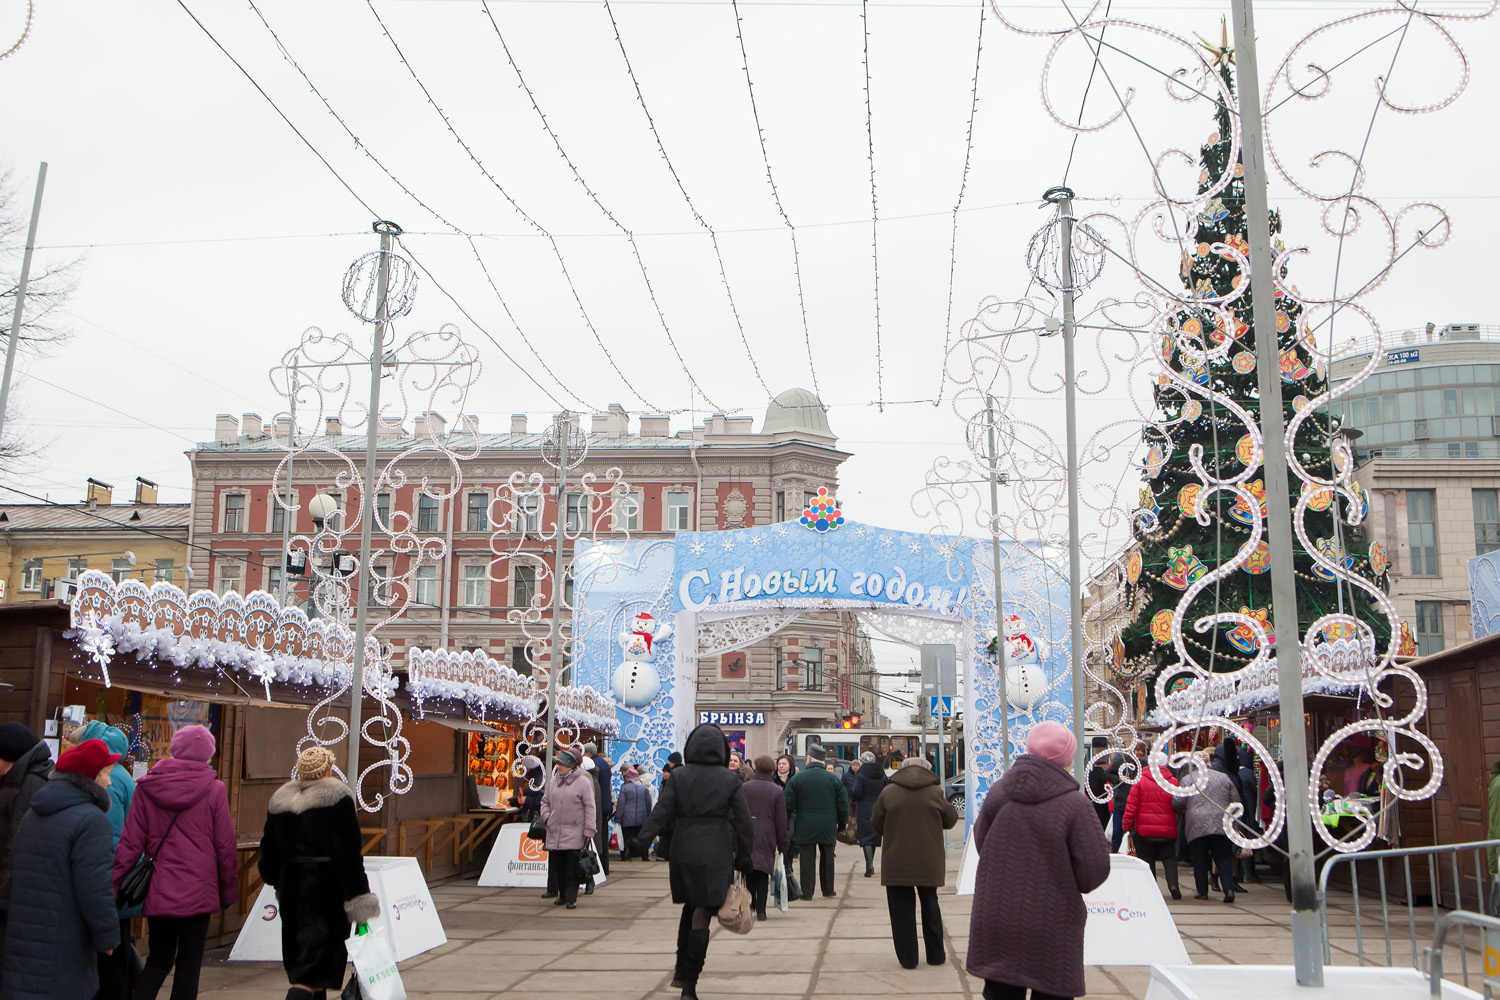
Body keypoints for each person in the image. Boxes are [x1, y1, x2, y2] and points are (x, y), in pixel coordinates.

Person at [968, 721, 1109, 1000]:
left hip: (997, 916)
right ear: (1068, 757)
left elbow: (984, 843)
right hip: (1051, 923)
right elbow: (1094, 870)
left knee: (1001, 992)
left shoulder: (999, 791)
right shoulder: (1074, 804)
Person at [113, 724, 237, 1000]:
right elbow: (225, 846)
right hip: (199, 891)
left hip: (160, 889)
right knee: (189, 966)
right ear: (208, 754)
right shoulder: (215, 790)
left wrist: (112, 886)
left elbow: (130, 843)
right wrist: (228, 890)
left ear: (174, 749)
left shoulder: (146, 787)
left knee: (159, 959)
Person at [633, 725, 753, 1000]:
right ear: (721, 750)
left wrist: (642, 839)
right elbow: (744, 821)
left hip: (684, 848)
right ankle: (689, 983)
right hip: (716, 851)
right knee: (703, 913)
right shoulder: (729, 779)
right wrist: (746, 854)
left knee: (690, 906)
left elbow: (662, 810)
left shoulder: (679, 776)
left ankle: (680, 970)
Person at [0, 738, 121, 1000]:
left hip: (22, 939)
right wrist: (107, 938)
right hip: (64, 944)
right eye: (106, 775)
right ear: (90, 778)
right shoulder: (92, 821)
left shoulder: (34, 812)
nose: (109, 783)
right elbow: (95, 888)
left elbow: (13, 874)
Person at [258, 746, 378, 999]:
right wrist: (359, 897)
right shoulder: (338, 797)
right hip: (327, 891)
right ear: (328, 769)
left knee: (304, 964)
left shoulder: (279, 800)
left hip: (292, 889)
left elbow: (268, 851)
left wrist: (278, 879)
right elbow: (349, 855)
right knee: (312, 974)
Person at [871, 756, 958, 970]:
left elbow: (876, 823)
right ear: (929, 770)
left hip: (897, 860)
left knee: (901, 910)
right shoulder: (935, 792)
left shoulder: (888, 792)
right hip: (929, 859)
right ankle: (936, 955)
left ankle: (908, 959)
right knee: (930, 904)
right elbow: (951, 819)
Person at [73, 721, 137, 1000]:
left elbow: (110, 840)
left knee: (110, 962)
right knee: (119, 954)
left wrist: (107, 889)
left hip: (109, 885)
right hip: (119, 882)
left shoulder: (107, 781)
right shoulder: (123, 775)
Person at [0, 723, 52, 958]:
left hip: (13, 896)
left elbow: (16, 843)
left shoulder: (30, 782)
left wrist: (5, 894)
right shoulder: (16, 779)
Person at [783, 744, 848, 900]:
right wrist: (842, 822)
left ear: (808, 759)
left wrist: (784, 823)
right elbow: (843, 803)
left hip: (805, 824)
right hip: (827, 824)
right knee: (827, 857)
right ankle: (828, 889)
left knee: (807, 858)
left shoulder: (797, 779)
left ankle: (807, 892)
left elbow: (787, 804)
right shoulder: (833, 779)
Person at [1175, 748, 1239, 903]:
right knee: (1223, 857)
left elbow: (1178, 802)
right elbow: (1236, 800)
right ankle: (1229, 889)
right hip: (1221, 822)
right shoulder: (1223, 777)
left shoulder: (1188, 779)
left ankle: (1202, 891)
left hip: (1197, 823)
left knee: (1199, 859)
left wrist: (1181, 809)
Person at [540, 749, 596, 910]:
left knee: (572, 866)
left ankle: (571, 897)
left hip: (575, 831)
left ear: (571, 765)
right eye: (558, 764)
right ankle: (562, 895)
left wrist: (589, 830)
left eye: (561, 764)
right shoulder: (553, 781)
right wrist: (547, 817)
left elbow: (590, 807)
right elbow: (545, 802)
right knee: (559, 866)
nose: (558, 767)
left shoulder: (583, 782)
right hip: (555, 830)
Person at [1120, 755, 1182, 900]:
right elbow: (1178, 804)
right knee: (1170, 858)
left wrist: (1126, 825)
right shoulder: (1173, 782)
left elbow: (1131, 806)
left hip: (1145, 830)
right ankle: (1173, 885)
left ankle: (1152, 888)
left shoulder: (1140, 781)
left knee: (1148, 859)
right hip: (1168, 829)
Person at [740, 756, 789, 920]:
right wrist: (783, 844)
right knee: (762, 872)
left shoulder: (745, 787)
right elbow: (781, 821)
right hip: (767, 834)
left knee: (749, 871)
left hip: (746, 832)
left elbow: (736, 812)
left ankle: (752, 905)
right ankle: (761, 910)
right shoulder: (776, 790)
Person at [850, 751, 887, 878]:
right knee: (874, 836)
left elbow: (856, 792)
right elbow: (886, 789)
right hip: (879, 808)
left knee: (865, 838)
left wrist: (853, 798)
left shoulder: (861, 775)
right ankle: (871, 864)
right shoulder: (881, 774)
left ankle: (869, 865)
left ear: (862, 761)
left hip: (865, 808)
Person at [583, 743, 613, 878]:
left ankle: (597, 867)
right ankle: (604, 866)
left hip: (598, 805)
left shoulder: (594, 766)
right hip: (605, 804)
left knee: (597, 838)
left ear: (588, 754)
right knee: (603, 837)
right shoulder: (604, 763)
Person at [616, 766, 653, 862]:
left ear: (628, 777)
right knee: (641, 837)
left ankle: (625, 856)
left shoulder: (625, 788)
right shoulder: (644, 788)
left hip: (627, 818)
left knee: (627, 838)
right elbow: (648, 803)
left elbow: (621, 805)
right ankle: (645, 856)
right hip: (641, 818)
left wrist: (618, 818)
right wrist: (648, 816)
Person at [1086, 742, 1112, 829]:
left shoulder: (1089, 774)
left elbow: (1086, 788)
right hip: (1103, 805)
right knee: (1103, 825)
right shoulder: (1104, 775)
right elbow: (1107, 788)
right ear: (1103, 765)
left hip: (1092, 803)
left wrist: (1091, 797)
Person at [518, 755, 545, 822]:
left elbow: (542, 799)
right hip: (533, 817)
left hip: (536, 818)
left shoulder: (539, 779)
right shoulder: (534, 779)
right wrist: (515, 801)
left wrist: (527, 800)